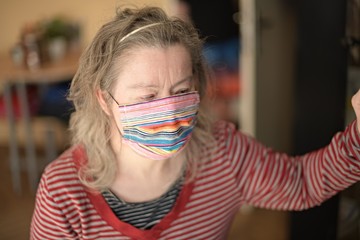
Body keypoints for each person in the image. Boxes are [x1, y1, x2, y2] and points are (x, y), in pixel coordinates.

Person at [30, 6, 360, 239]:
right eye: (147, 97)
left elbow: (302, 183)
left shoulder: (224, 152)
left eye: (182, 90)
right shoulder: (62, 191)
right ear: (103, 99)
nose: (171, 112)